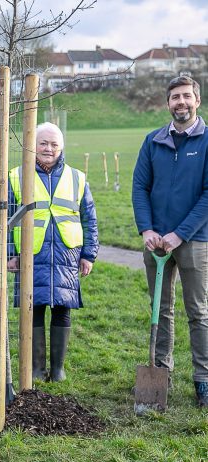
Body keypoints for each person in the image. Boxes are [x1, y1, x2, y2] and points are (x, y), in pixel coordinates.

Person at [132, 75, 208, 407]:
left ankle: (203, 379)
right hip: (157, 242)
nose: (181, 102)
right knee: (160, 310)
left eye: (186, 96)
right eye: (175, 97)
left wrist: (180, 234)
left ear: (197, 101)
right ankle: (161, 374)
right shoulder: (152, 141)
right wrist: (148, 230)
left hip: (194, 240)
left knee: (199, 312)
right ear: (167, 104)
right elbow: (139, 188)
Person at [7, 122, 99, 382]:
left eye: (54, 144)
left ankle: (58, 370)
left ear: (62, 147)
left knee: (62, 307)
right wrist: (8, 255)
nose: (48, 148)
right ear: (32, 145)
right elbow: (5, 220)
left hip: (66, 254)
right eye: (43, 143)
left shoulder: (77, 178)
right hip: (30, 253)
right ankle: (36, 369)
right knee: (33, 306)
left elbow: (89, 219)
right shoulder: (17, 176)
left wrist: (88, 254)